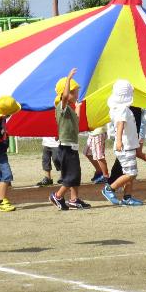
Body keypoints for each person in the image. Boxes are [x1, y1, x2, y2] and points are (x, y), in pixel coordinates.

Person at [49, 68, 91, 210]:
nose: (77, 93)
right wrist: (68, 79)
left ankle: (74, 199)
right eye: (75, 91)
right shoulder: (62, 107)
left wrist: (78, 107)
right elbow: (65, 96)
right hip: (66, 147)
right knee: (71, 175)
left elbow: (77, 122)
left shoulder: (70, 110)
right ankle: (58, 196)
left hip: (71, 146)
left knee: (75, 174)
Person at [102, 80, 143, 206]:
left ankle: (127, 197)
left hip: (128, 144)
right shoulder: (123, 109)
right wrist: (119, 140)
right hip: (125, 145)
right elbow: (120, 124)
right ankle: (110, 189)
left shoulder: (116, 107)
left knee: (129, 172)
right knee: (131, 173)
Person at [108, 107, 146, 185]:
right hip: (134, 129)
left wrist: (119, 140)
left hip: (138, 128)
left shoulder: (132, 107)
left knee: (135, 152)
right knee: (134, 153)